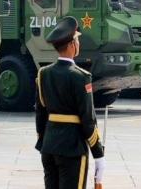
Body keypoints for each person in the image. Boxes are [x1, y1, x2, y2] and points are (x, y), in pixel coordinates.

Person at [35, 16, 105, 189]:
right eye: (78, 39)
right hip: (72, 148)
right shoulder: (80, 77)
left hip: (49, 147)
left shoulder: (43, 73)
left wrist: (46, 141)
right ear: (73, 43)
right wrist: (99, 154)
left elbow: (40, 115)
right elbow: (88, 120)